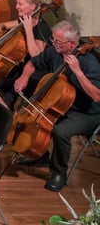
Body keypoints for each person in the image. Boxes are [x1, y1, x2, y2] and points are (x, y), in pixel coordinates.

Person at [8, 21, 100, 192]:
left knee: (61, 131)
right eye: (53, 39)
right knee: (39, 115)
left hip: (87, 112)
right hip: (62, 105)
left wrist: (78, 71)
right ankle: (39, 154)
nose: (53, 44)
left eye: (58, 41)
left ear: (72, 44)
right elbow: (33, 63)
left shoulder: (89, 62)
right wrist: (24, 78)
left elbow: (96, 95)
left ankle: (59, 173)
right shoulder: (54, 52)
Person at [0, 0, 51, 144]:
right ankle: (4, 130)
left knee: (7, 87)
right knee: (0, 86)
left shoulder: (42, 28)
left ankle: (10, 129)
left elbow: (37, 56)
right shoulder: (24, 19)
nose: (16, 7)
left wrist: (28, 29)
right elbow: (2, 26)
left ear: (32, 6)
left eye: (20, 4)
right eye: (17, 3)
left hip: (39, 73)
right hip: (25, 67)